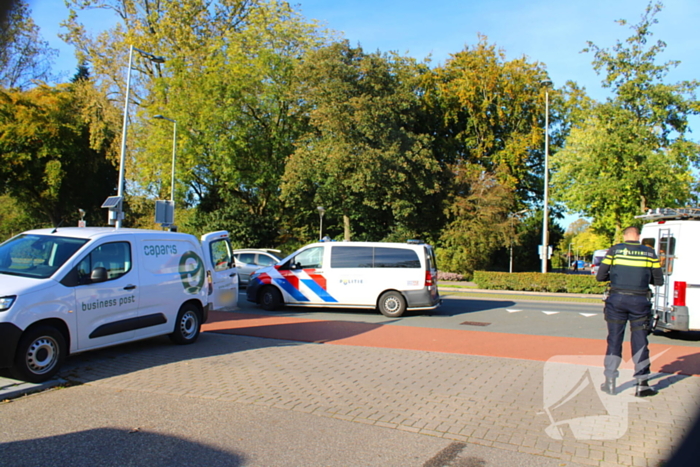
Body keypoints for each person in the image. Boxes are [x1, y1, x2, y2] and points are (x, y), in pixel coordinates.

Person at [595, 226, 664, 397]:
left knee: (614, 341)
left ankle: (610, 382)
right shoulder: (649, 253)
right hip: (640, 302)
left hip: (616, 300)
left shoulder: (614, 251)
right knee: (640, 341)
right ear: (638, 237)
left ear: (624, 236)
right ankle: (642, 385)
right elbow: (659, 281)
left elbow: (600, 276)